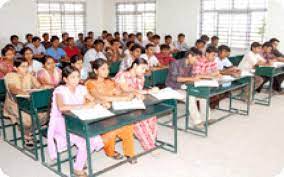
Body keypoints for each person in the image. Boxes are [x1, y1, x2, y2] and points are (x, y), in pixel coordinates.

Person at [47, 66, 104, 177]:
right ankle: (77, 168)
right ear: (65, 79)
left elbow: (92, 99)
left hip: (77, 118)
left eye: (78, 76)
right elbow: (62, 108)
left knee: (94, 137)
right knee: (84, 141)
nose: (76, 79)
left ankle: (80, 159)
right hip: (61, 121)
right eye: (72, 77)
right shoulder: (60, 90)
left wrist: (100, 102)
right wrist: (84, 106)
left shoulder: (81, 88)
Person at [85, 59, 137, 163]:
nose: (107, 71)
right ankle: (110, 151)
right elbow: (99, 96)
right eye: (103, 69)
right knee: (112, 128)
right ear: (95, 71)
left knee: (128, 125)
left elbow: (118, 93)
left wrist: (128, 95)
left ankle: (129, 153)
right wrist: (122, 98)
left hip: (111, 111)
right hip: (96, 115)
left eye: (107, 68)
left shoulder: (110, 81)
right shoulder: (90, 83)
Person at [115, 58, 159, 151]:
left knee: (152, 116)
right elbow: (126, 89)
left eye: (145, 69)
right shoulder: (122, 75)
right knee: (140, 120)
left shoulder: (141, 77)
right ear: (134, 65)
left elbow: (138, 92)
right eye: (142, 68)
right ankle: (149, 146)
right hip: (122, 104)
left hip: (134, 103)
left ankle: (151, 141)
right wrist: (147, 91)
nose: (144, 71)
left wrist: (141, 93)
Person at [4, 57, 48, 147]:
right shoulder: (10, 75)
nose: (26, 69)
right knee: (27, 118)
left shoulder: (29, 75)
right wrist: (25, 92)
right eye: (23, 66)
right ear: (15, 68)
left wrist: (43, 87)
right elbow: (13, 89)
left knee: (43, 113)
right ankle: (27, 135)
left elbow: (38, 86)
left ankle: (30, 131)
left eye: (27, 66)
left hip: (27, 100)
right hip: (13, 103)